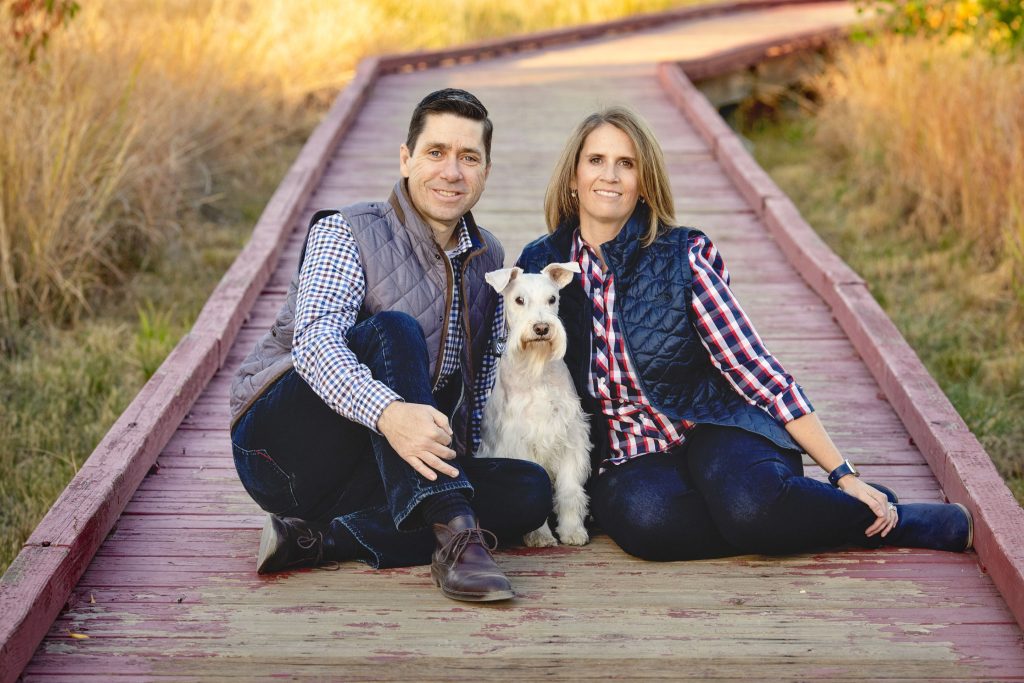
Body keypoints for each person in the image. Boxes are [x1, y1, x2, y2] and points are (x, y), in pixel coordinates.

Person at [516, 106, 972, 561]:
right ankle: (794, 510)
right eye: (596, 161)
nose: (610, 176)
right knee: (650, 525)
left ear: (643, 183)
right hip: (628, 452)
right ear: (573, 178)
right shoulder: (544, 263)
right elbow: (516, 372)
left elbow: (754, 367)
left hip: (717, 424)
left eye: (627, 163)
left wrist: (842, 474)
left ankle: (889, 517)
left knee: (749, 506)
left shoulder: (682, 256)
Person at [229, 89, 552, 602]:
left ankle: (317, 539)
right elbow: (314, 344)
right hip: (281, 449)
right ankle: (456, 535)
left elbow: (481, 373)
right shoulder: (348, 230)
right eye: (436, 152)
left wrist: (456, 457)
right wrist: (389, 413)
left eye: (469, 158)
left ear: (486, 172)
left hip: (380, 468)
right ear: (406, 160)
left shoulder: (489, 256)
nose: (452, 171)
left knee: (530, 490)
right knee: (394, 328)